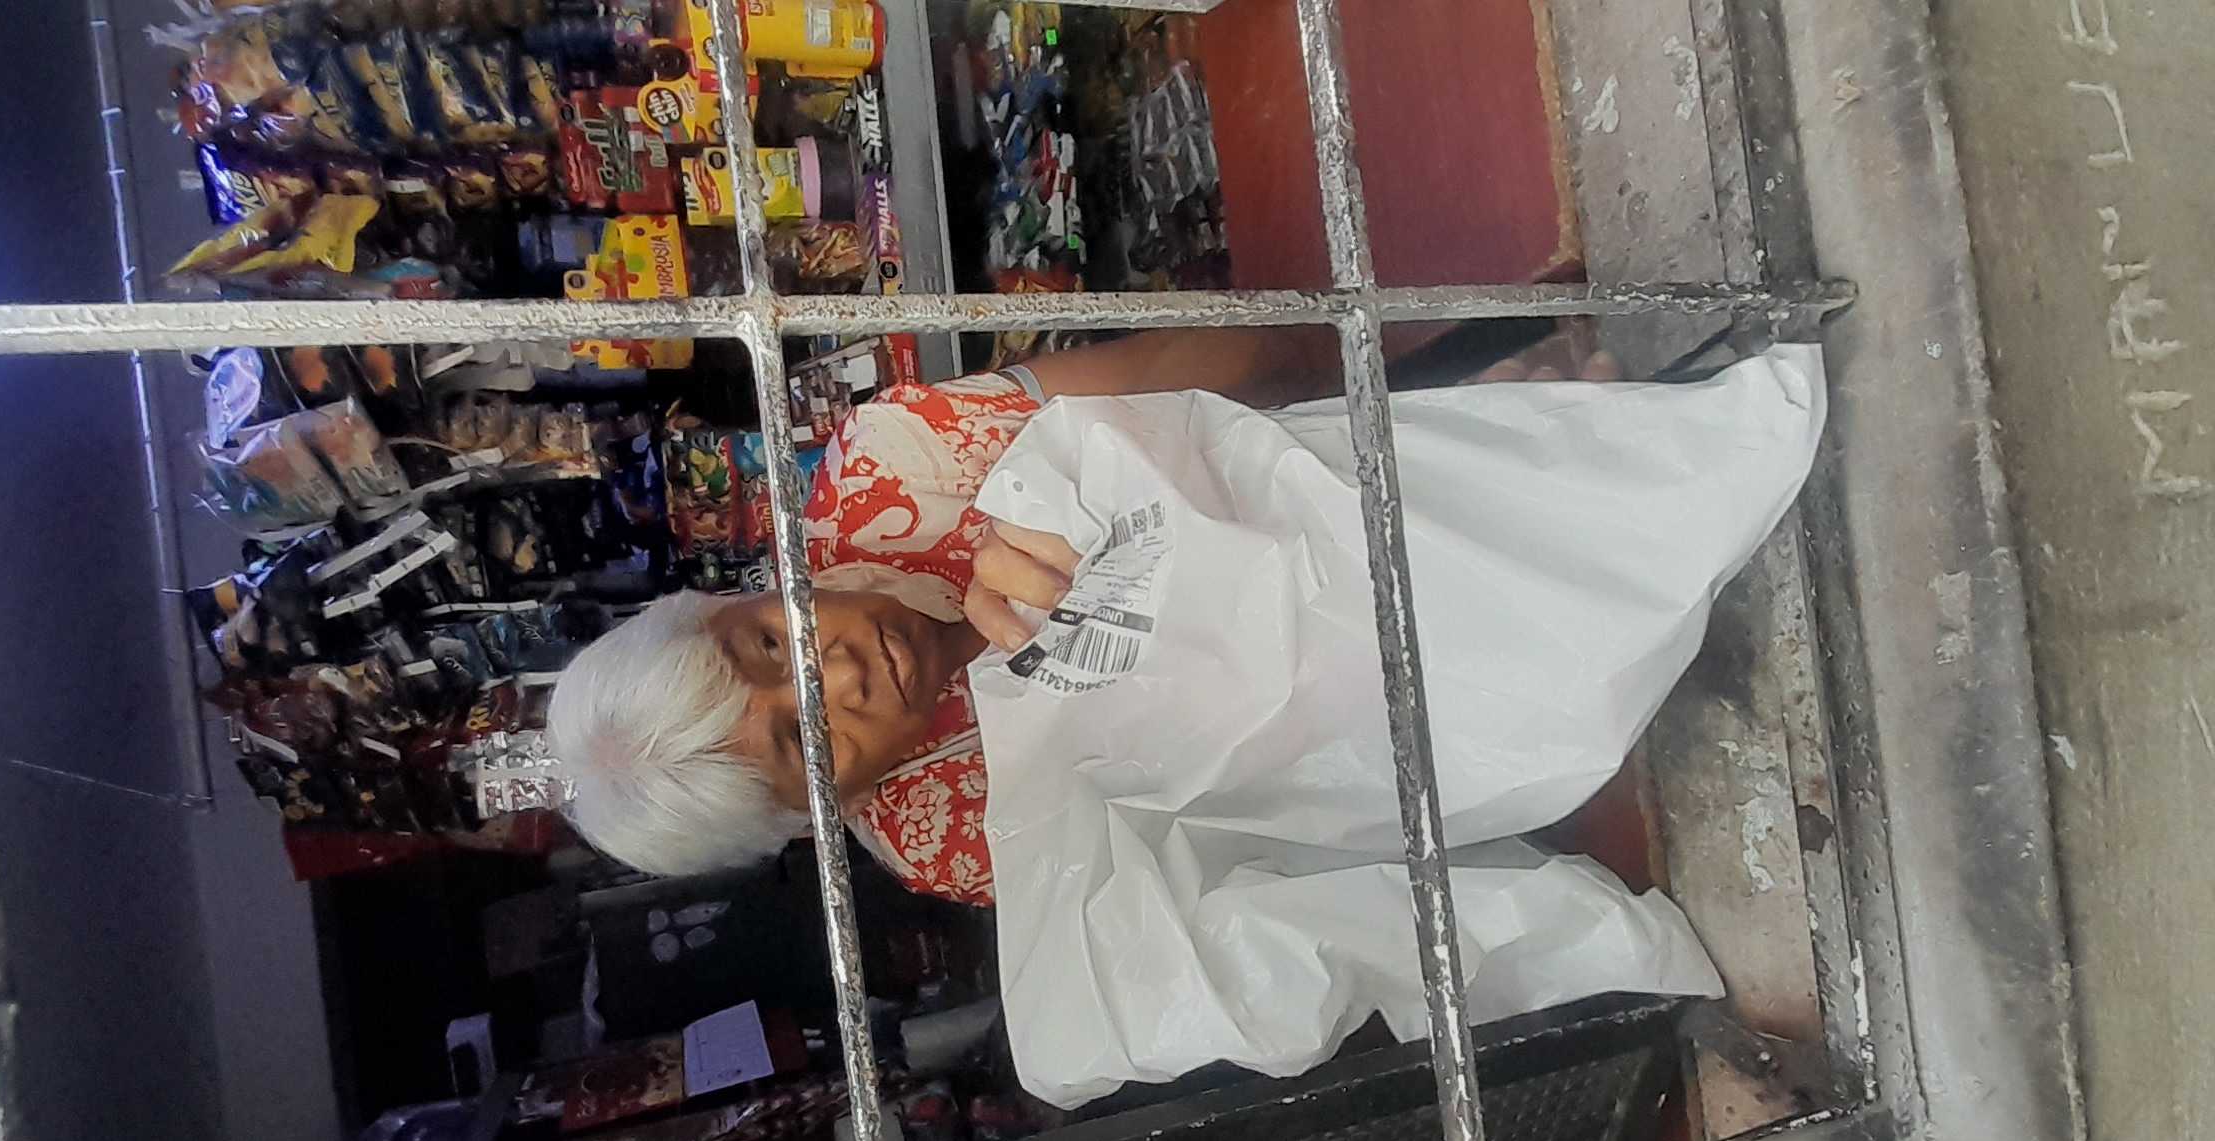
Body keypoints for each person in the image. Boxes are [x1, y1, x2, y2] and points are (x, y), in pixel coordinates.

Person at [547, 324, 1618, 900]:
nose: (839, 674)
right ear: (824, 814)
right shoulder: (954, 840)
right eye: (803, 740)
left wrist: (1439, 388)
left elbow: (1227, 362)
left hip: (1374, 451)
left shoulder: (896, 469)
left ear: (739, 593)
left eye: (767, 644)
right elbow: (1276, 824)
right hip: (1428, 684)